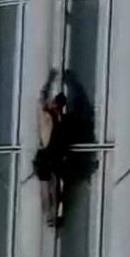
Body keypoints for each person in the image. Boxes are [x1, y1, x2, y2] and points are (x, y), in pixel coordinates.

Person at [33, 69, 94, 227]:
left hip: (54, 154)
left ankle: (53, 213)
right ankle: (50, 214)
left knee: (54, 185)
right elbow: (41, 99)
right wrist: (50, 80)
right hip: (47, 153)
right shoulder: (47, 115)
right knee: (47, 185)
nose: (58, 107)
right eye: (57, 104)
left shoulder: (61, 119)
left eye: (60, 105)